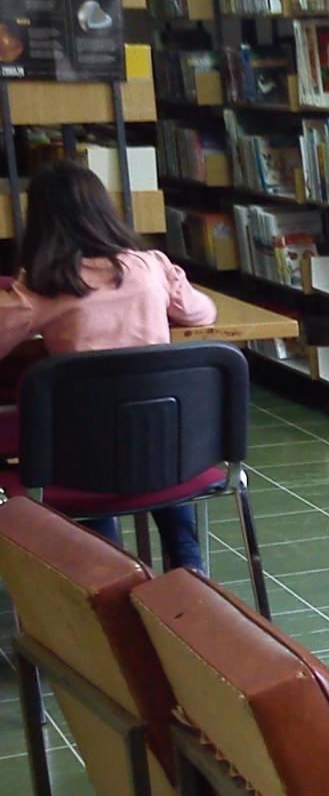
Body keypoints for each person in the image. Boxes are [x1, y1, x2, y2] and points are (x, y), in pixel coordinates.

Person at [0, 161, 218, 569]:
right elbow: (201, 313)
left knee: (89, 443)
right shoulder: (150, 265)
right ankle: (190, 571)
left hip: (85, 462)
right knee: (156, 429)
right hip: (171, 450)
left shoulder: (45, 286)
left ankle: (108, 569)